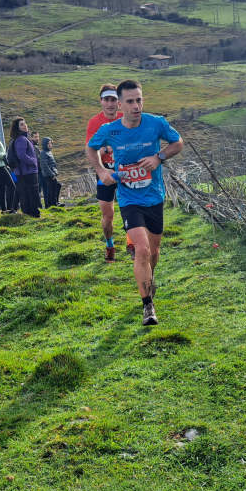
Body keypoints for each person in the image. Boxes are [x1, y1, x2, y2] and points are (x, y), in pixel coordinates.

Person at [86, 79, 184, 326]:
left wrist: (158, 157)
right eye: (130, 101)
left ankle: (149, 281)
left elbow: (178, 142)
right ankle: (148, 306)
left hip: (154, 195)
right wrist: (101, 172)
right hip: (129, 198)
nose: (136, 106)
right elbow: (91, 148)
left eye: (139, 100)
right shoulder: (111, 130)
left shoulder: (156, 123)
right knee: (140, 249)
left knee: (153, 251)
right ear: (120, 105)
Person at [87, 83, 132, 262]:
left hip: (126, 170)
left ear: (119, 102)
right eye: (107, 99)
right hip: (105, 173)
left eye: (113, 99)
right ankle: (109, 245)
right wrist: (105, 151)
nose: (110, 103)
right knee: (108, 215)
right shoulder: (94, 123)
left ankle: (131, 244)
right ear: (101, 102)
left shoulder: (126, 117)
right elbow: (91, 149)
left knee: (130, 208)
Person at [8, 117, 41, 218]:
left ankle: (28, 213)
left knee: (26, 192)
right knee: (32, 192)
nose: (25, 125)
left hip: (24, 171)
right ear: (17, 128)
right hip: (27, 171)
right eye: (21, 124)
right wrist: (33, 161)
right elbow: (21, 155)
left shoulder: (22, 138)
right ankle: (33, 214)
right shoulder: (21, 139)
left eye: (25, 123)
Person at [39, 135, 61, 208]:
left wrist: (55, 172)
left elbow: (52, 164)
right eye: (48, 143)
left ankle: (55, 202)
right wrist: (52, 174)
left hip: (52, 174)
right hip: (48, 175)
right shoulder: (43, 153)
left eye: (51, 143)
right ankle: (51, 204)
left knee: (56, 186)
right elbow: (44, 165)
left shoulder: (49, 152)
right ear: (45, 144)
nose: (50, 145)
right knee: (51, 190)